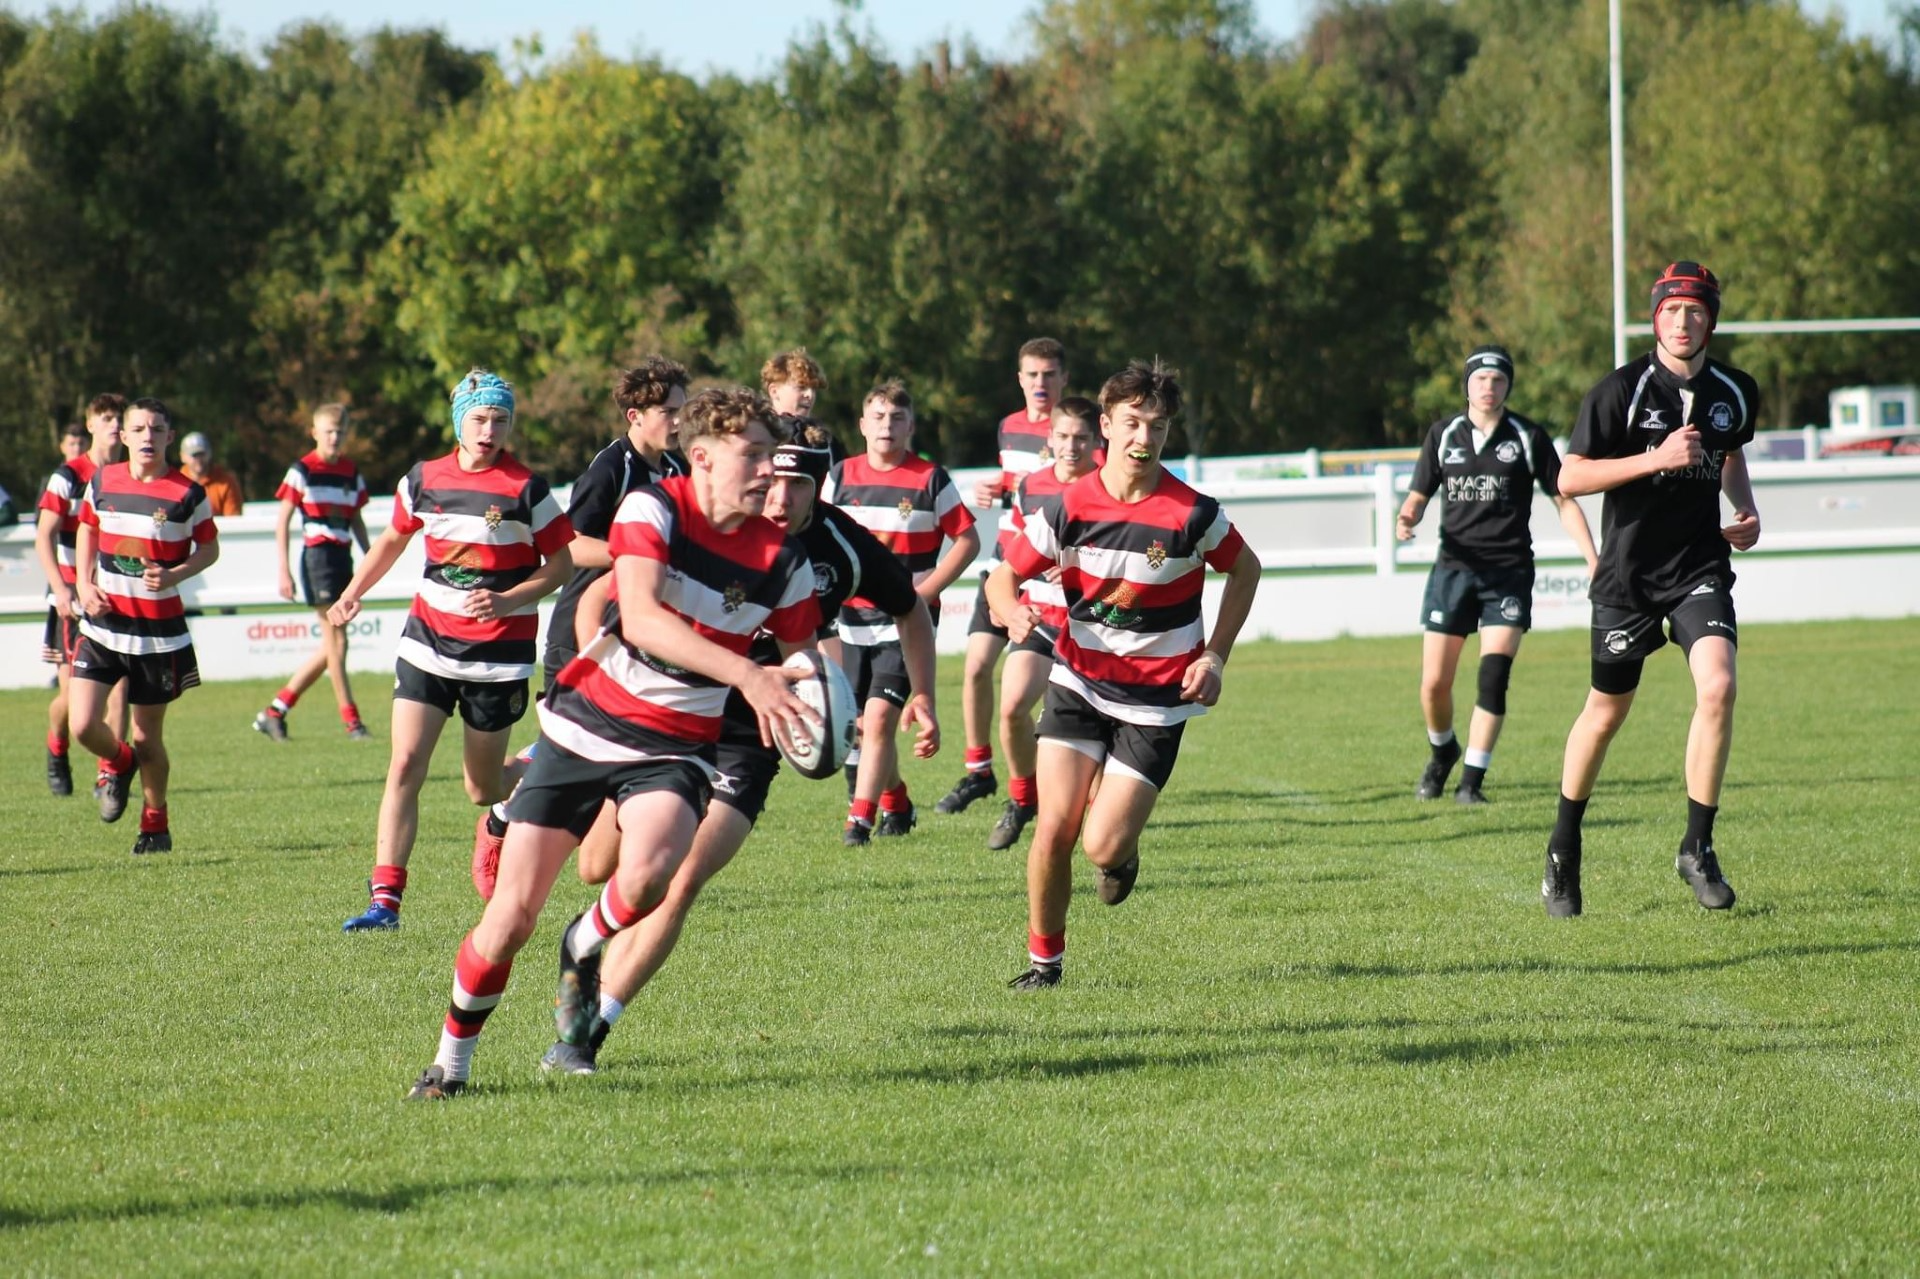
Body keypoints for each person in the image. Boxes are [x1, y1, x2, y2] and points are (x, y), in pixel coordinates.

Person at [404, 387, 819, 1099]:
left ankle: (583, 942)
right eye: (751, 456)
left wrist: (819, 699)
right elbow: (649, 620)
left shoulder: (785, 560)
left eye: (771, 460)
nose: (767, 474)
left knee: (653, 872)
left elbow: (808, 652)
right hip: (585, 727)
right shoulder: (653, 508)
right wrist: (749, 673)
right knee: (507, 922)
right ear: (703, 457)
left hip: (677, 745)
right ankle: (450, 1064)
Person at [539, 421, 942, 1075]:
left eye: (797, 483)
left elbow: (911, 609)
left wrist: (921, 692)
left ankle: (583, 1036)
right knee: (597, 868)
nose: (779, 496)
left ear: (820, 484)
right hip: (661, 716)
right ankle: (587, 927)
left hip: (749, 738)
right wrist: (593, 671)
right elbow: (603, 597)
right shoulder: (709, 521)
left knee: (681, 879)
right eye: (771, 478)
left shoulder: (840, 546)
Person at [985, 360, 1262, 989]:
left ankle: (1121, 851)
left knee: (1101, 848)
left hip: (1157, 701)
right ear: (1105, 424)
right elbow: (1002, 577)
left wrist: (1214, 655)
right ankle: (1043, 966)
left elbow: (1247, 570)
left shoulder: (1192, 513)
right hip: (1079, 680)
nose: (1143, 438)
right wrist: (1010, 611)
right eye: (1132, 423)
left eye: (1157, 428)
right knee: (1054, 826)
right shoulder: (1068, 507)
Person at [1541, 261, 1761, 917]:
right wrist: (1655, 458)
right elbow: (1569, 478)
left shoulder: (1736, 390)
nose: (1683, 320)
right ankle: (1563, 844)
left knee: (1718, 685)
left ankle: (1697, 846)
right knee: (1606, 713)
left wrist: (1743, 511)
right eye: (1672, 309)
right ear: (1655, 316)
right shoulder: (1620, 391)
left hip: (1699, 569)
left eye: (1696, 310)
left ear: (1710, 320)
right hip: (1628, 578)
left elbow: (1731, 453)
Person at [328, 370, 575, 931]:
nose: (490, 430)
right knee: (405, 765)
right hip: (428, 644)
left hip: (498, 657)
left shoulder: (526, 489)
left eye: (501, 420)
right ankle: (384, 902)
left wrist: (510, 599)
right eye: (480, 418)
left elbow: (559, 566)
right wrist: (351, 594)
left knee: (480, 788)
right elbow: (393, 539)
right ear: (459, 422)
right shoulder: (423, 479)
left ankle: (533, 774)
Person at [470, 357, 691, 897]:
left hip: (636, 629)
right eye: (669, 412)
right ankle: (501, 817)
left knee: (613, 735)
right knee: (572, 741)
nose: (679, 422)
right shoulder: (610, 468)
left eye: (684, 411)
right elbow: (569, 544)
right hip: (581, 628)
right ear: (635, 415)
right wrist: (635, 552)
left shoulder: (675, 467)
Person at [1396, 346, 1598, 804]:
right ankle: (1443, 750)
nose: (1489, 387)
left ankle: (1472, 782)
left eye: (1498, 380)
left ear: (1508, 386)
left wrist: (1592, 558)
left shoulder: (1527, 436)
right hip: (1453, 571)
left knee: (1492, 676)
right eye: (1481, 379)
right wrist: (1406, 518)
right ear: (1467, 384)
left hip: (1508, 573)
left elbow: (1563, 500)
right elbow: (1417, 495)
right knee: (1434, 684)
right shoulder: (1443, 434)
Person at [825, 380, 980, 845]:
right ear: (862, 425)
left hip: (905, 626)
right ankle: (897, 800)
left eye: (896, 418)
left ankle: (859, 821)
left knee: (877, 722)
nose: (886, 426)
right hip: (849, 622)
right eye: (878, 417)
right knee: (857, 727)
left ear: (910, 425)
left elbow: (968, 540)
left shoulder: (930, 479)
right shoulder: (841, 476)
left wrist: (925, 591)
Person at [69, 397, 221, 854]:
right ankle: (119, 762)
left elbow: (210, 549)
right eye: (139, 429)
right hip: (102, 625)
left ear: (169, 437)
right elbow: (86, 529)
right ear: (125, 436)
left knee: (147, 736)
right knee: (82, 725)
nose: (147, 437)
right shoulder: (104, 480)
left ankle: (155, 824)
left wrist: (175, 574)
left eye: (157, 429)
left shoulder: (187, 493)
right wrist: (82, 582)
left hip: (158, 635)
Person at [938, 337, 1069, 815]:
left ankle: (1047, 782)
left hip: (1045, 574)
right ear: (1020, 379)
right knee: (974, 667)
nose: (1040, 383)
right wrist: (987, 488)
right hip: (1004, 563)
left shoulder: (1076, 431)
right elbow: (1016, 486)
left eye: (1049, 374)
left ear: (1063, 379)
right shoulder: (1009, 428)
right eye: (1032, 374)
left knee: (1039, 688)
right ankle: (979, 771)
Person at [985, 396, 1100, 851]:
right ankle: (1022, 797)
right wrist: (1006, 603)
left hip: (1090, 629)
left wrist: (1076, 564)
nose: (1071, 446)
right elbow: (1010, 552)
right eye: (1063, 436)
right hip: (1039, 619)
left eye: (1081, 438)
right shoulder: (1031, 486)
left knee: (1091, 733)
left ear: (1097, 441)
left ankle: (1099, 820)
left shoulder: (1106, 489)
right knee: (1012, 707)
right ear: (1049, 438)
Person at [252, 404, 373, 742]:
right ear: (315, 433)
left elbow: (357, 521)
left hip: (343, 558)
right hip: (317, 558)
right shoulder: (302, 469)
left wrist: (371, 559)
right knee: (338, 641)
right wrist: (283, 570)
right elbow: (283, 520)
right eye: (328, 432)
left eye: (340, 432)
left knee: (332, 646)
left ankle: (276, 710)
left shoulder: (351, 471)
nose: (334, 438)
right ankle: (352, 721)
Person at [34, 397, 129, 796]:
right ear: (91, 425)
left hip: (114, 597)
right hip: (72, 600)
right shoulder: (69, 476)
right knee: (74, 699)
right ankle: (57, 745)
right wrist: (60, 588)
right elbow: (44, 535)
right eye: (106, 418)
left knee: (121, 685)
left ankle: (109, 774)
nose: (114, 425)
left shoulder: (130, 476)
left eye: (119, 419)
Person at [178, 432, 244, 516]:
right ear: (182, 457)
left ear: (209, 453)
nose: (199, 459)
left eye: (202, 454)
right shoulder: (173, 484)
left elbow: (233, 522)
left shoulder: (226, 481)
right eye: (194, 455)